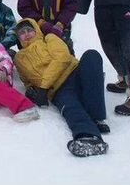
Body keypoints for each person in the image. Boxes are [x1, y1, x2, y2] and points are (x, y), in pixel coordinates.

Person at [13, 18, 109, 157]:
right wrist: (32, 92)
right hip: (58, 88)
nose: (26, 34)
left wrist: (43, 86)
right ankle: (88, 137)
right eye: (22, 32)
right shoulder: (19, 58)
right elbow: (27, 80)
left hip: (75, 72)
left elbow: (62, 58)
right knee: (71, 108)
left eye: (29, 30)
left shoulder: (49, 39)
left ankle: (96, 117)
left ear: (36, 30)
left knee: (91, 56)